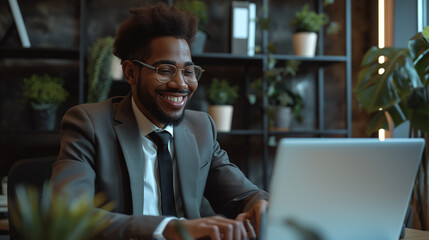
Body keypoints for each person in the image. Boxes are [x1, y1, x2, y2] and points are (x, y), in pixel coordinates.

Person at [50, 2, 268, 240]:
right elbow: (67, 214)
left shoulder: (201, 128)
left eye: (188, 71)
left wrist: (261, 205)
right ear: (131, 73)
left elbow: (244, 196)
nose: (181, 84)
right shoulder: (89, 124)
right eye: (165, 70)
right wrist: (169, 228)